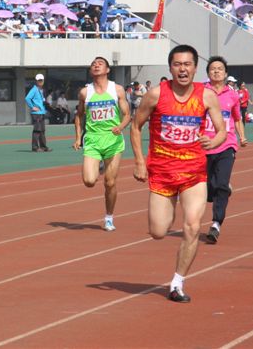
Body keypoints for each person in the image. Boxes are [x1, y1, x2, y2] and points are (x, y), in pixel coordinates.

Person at [130, 44, 226, 303]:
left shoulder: (207, 96)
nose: (182, 69)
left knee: (193, 226)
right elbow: (136, 127)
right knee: (158, 232)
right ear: (170, 68)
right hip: (162, 172)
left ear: (195, 68)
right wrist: (139, 161)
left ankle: (177, 283)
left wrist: (213, 142)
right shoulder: (155, 95)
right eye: (177, 64)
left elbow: (221, 131)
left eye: (187, 64)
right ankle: (169, 208)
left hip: (194, 172)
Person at [73, 57, 131, 231]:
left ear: (107, 70)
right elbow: (79, 115)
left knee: (110, 183)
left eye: (100, 63)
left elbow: (127, 115)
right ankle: (98, 165)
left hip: (113, 140)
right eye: (93, 64)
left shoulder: (117, 90)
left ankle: (109, 218)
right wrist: (78, 137)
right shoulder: (85, 92)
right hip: (92, 140)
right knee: (89, 181)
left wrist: (120, 126)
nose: (96, 65)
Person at [203, 57, 247, 244]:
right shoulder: (201, 92)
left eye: (220, 69)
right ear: (208, 73)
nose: (216, 71)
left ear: (226, 73)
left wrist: (242, 136)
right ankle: (221, 188)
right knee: (207, 188)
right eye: (213, 69)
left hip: (227, 145)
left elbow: (237, 118)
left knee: (220, 184)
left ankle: (216, 224)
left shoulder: (233, 95)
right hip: (205, 145)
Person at [25, 74, 51, 152]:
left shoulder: (40, 90)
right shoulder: (34, 89)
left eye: (41, 80)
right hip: (36, 113)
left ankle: (43, 147)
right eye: (39, 80)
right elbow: (27, 98)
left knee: (42, 130)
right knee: (37, 130)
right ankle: (35, 147)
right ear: (36, 81)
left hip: (41, 112)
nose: (40, 82)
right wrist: (32, 107)